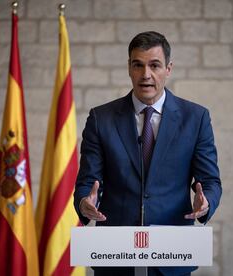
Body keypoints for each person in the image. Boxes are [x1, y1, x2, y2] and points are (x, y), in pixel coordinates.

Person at [74, 31, 222, 276]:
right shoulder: (101, 119)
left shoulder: (196, 118)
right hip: (115, 256)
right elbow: (88, 181)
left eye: (154, 65)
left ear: (168, 69)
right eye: (138, 65)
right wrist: (84, 202)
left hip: (172, 256)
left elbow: (210, 181)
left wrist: (205, 202)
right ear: (129, 68)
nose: (146, 75)